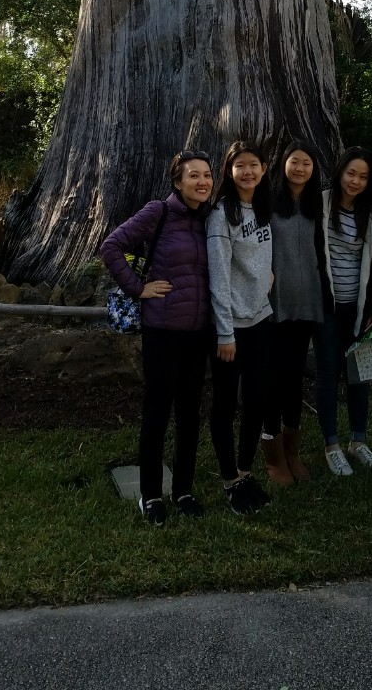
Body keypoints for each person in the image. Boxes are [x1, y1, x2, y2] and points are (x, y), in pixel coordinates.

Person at [101, 150, 214, 526]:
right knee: (157, 413)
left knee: (189, 414)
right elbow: (111, 247)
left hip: (198, 332)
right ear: (178, 182)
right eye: (193, 175)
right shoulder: (158, 212)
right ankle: (150, 495)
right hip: (163, 331)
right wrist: (138, 288)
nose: (202, 181)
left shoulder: (209, 219)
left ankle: (183, 490)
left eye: (207, 175)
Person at [206, 140, 274, 515]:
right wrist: (225, 332)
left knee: (257, 399)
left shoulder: (262, 207)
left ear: (264, 168)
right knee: (225, 403)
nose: (247, 172)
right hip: (231, 328)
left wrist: (269, 277)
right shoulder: (221, 215)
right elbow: (218, 279)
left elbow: (261, 257)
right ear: (229, 172)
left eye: (253, 165)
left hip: (261, 319)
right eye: (239, 166)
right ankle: (230, 479)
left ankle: (245, 472)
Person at [261, 139, 328, 486]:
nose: (300, 168)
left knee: (294, 376)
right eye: (294, 161)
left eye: (307, 163)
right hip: (274, 303)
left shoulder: (319, 205)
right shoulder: (268, 202)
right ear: (283, 164)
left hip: (307, 302)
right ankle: (272, 453)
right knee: (273, 377)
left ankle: (292, 450)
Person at [313, 146, 372, 476]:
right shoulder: (321, 204)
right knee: (327, 374)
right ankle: (332, 445)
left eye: (363, 177)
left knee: (358, 374)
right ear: (340, 171)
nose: (355, 181)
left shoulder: (370, 213)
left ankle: (358, 441)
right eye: (351, 173)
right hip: (326, 306)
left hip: (358, 308)